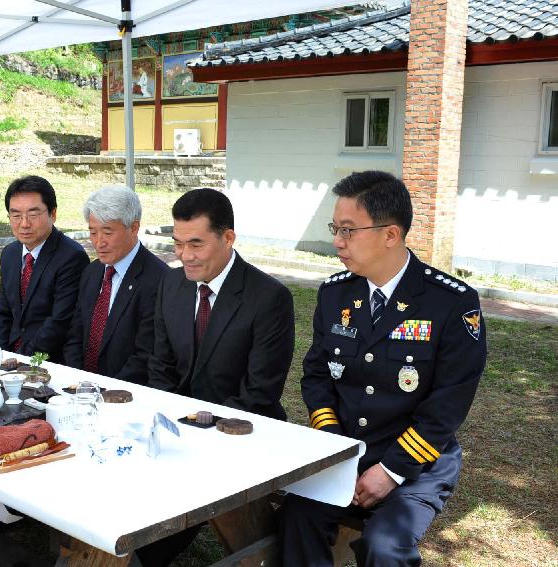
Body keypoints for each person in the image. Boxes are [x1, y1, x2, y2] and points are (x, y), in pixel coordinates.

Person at [277, 171, 487, 566]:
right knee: (295, 518)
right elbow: (318, 376)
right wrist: (337, 448)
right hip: (346, 451)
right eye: (335, 228)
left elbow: (447, 406)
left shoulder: (451, 303)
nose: (337, 241)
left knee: (385, 548)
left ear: (391, 235)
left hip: (417, 464)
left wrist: (390, 470)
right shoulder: (335, 292)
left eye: (349, 230)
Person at [148, 188, 295, 419]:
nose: (185, 255)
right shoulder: (171, 282)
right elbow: (161, 366)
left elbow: (259, 393)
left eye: (196, 245)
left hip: (241, 429)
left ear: (228, 239)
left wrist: (202, 426)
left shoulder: (269, 298)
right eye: (178, 244)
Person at [63, 186, 167, 384]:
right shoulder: (92, 272)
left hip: (124, 393)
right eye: (93, 233)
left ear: (134, 228)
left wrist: (106, 392)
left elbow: (145, 355)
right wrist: (78, 382)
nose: (99, 242)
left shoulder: (158, 279)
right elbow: (76, 335)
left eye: (107, 233)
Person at [0, 175, 89, 363]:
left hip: (49, 360)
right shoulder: (10, 254)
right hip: (11, 357)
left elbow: (59, 322)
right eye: (16, 215)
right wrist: (0, 355)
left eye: (33, 214)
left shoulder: (71, 256)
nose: (24, 223)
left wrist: (21, 359)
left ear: (53, 214)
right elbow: (3, 312)